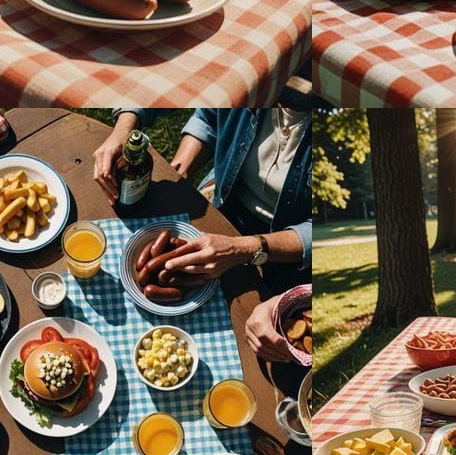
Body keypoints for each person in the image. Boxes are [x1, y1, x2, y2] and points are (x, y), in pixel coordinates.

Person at [94, 108, 311, 364]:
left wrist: (245, 248)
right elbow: (207, 117)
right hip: (221, 198)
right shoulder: (251, 75)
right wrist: (177, 171)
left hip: (289, 248)